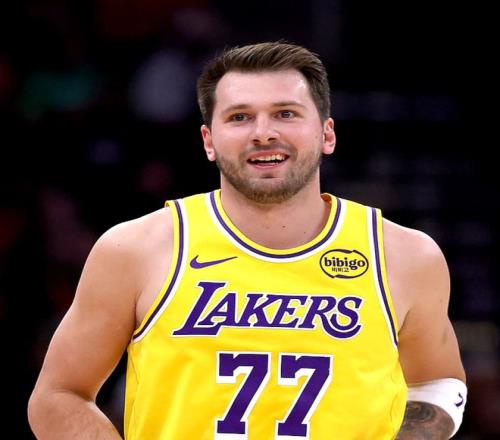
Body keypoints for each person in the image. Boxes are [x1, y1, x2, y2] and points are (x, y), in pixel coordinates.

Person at [28, 41, 466, 439]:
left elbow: (439, 383)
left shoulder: (406, 256)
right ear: (209, 141)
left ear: (327, 134)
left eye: (286, 113)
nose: (263, 133)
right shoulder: (135, 249)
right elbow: (59, 394)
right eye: (240, 117)